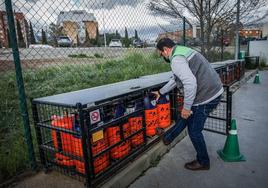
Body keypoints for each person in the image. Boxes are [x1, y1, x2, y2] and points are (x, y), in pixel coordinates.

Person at [152, 38, 223, 171]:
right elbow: (176, 79)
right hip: (213, 91)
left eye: (161, 54)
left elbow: (190, 83)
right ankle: (168, 138)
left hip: (206, 96)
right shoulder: (182, 51)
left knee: (194, 131)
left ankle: (203, 162)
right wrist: (161, 92)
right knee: (185, 117)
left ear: (166, 50)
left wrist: (186, 107)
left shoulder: (176, 59)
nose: (162, 56)